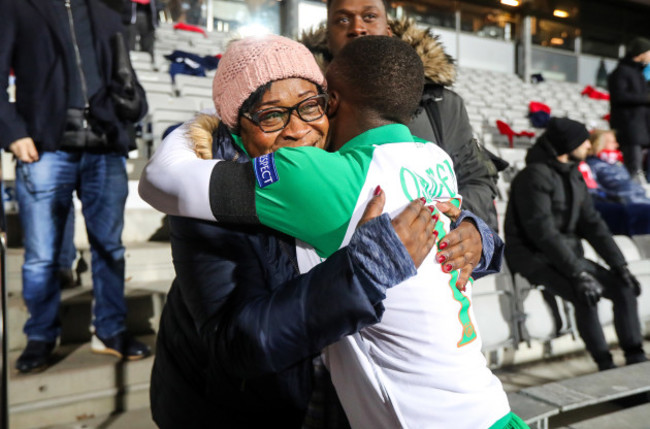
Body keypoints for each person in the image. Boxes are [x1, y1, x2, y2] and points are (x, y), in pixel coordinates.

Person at [141, 35, 519, 428]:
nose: (297, 130)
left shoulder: (342, 169)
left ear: (330, 105)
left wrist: (476, 238)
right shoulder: (204, 203)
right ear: (237, 126)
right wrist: (363, 273)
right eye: (272, 115)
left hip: (340, 403)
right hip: (234, 412)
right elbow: (240, 344)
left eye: (310, 106)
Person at [0, 0, 150, 373]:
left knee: (110, 248)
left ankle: (110, 330)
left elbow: (125, 76)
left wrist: (134, 103)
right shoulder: (17, 7)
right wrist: (14, 133)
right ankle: (40, 336)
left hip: (105, 145)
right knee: (41, 256)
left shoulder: (105, 12)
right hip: (45, 147)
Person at [300, 0, 500, 233]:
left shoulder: (441, 104)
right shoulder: (300, 103)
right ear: (328, 36)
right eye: (342, 19)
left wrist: (464, 224)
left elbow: (478, 180)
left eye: (369, 16)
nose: (357, 27)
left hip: (430, 258)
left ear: (388, 31)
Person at [504, 117, 647, 372]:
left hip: (566, 254)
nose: (589, 147)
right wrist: (578, 273)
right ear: (567, 145)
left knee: (623, 288)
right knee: (585, 294)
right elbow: (542, 233)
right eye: (583, 141)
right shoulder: (533, 177)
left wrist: (619, 265)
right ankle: (605, 364)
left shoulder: (574, 175)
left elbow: (593, 225)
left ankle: (635, 358)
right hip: (533, 256)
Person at [580, 129, 650, 236]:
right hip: (625, 205)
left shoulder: (617, 163)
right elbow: (594, 191)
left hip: (641, 201)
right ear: (600, 144)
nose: (617, 145)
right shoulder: (592, 165)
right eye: (612, 142)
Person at [608, 36, 650, 184]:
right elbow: (620, 96)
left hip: (642, 128)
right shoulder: (621, 72)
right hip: (630, 128)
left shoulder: (639, 73)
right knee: (634, 169)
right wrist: (646, 98)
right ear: (641, 53)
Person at [123, 0, 163, 66]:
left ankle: (150, 64)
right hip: (131, 18)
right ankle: (127, 65)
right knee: (129, 44)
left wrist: (158, 7)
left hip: (149, 18)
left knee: (148, 45)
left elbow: (160, 5)